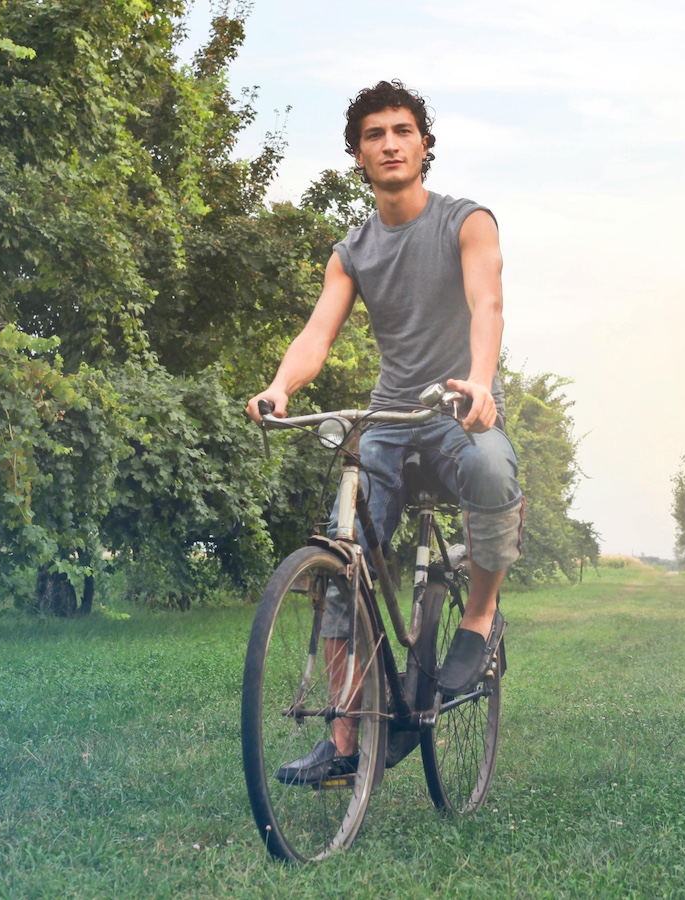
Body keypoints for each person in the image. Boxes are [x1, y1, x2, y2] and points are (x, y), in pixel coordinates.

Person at [245, 80, 522, 786]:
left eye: (403, 130)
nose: (391, 143)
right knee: (341, 563)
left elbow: (486, 302)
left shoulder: (468, 221)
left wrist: (481, 382)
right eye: (375, 135)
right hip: (391, 418)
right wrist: (281, 386)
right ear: (358, 156)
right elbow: (317, 334)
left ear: (425, 145)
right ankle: (345, 740)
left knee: (492, 471)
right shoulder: (353, 251)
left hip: (456, 407)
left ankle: (480, 619)